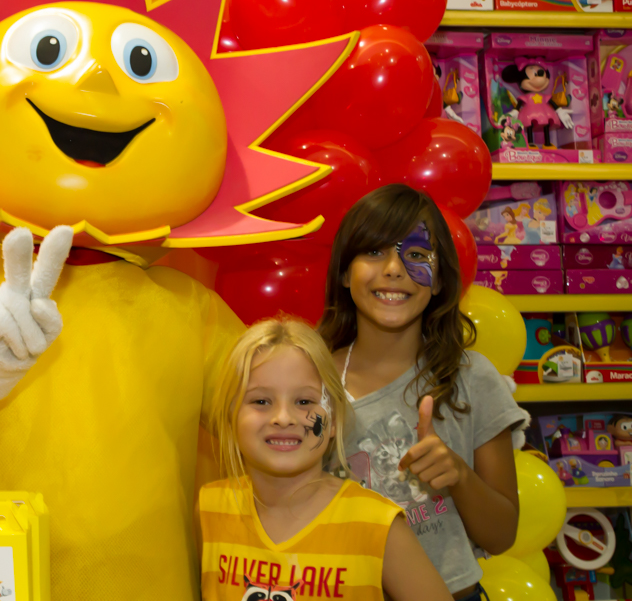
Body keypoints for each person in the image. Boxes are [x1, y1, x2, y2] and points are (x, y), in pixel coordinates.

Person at [320, 184, 529, 600]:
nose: (395, 269)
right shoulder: (312, 380)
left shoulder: (472, 379)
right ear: (345, 272)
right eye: (374, 251)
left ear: (438, 282)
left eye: (416, 255)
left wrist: (459, 477)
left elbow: (503, 534)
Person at [200, 317, 452, 601]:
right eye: (260, 401)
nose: (283, 418)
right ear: (230, 416)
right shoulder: (208, 510)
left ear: (332, 421)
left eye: (305, 401)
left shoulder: (378, 526)